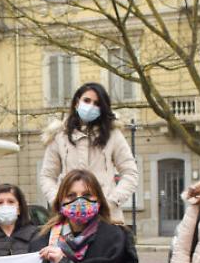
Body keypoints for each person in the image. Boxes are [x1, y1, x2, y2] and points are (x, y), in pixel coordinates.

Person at [38, 82, 139, 224]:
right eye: (86, 100)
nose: (91, 106)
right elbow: (47, 175)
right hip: (69, 218)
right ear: (76, 102)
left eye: (96, 103)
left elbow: (130, 173)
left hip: (107, 218)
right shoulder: (59, 136)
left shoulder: (113, 135)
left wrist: (111, 201)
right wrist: (59, 201)